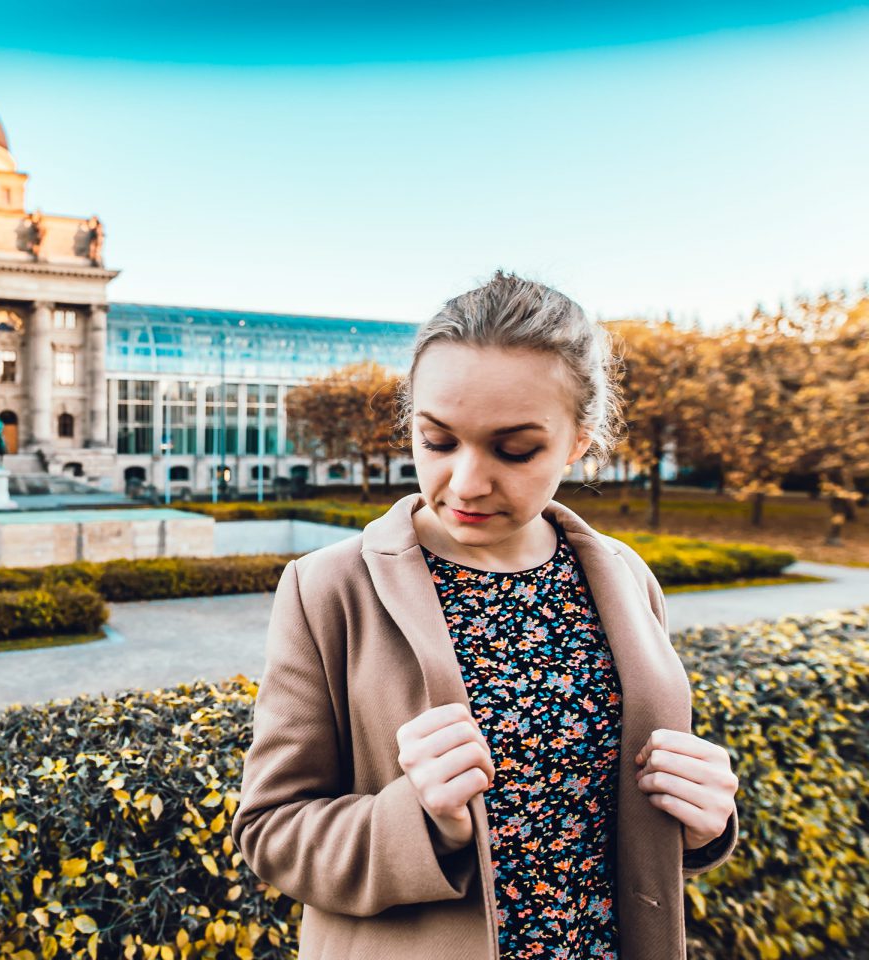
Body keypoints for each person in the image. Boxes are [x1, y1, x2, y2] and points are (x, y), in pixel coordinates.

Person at [230, 270, 739, 960]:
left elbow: (623, 822)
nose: (466, 482)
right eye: (437, 442)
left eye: (515, 449)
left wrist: (704, 824)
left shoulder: (625, 579)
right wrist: (418, 821)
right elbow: (271, 833)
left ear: (579, 441)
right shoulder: (326, 590)